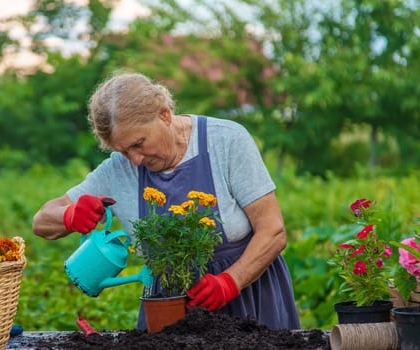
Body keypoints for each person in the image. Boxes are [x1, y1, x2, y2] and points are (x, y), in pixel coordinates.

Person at [32, 72, 301, 330]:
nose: (134, 160)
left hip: (250, 300)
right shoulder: (117, 171)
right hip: (168, 311)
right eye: (122, 150)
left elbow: (273, 231)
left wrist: (231, 281)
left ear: (165, 114)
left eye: (138, 143)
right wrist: (69, 216)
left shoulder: (226, 141)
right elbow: (41, 221)